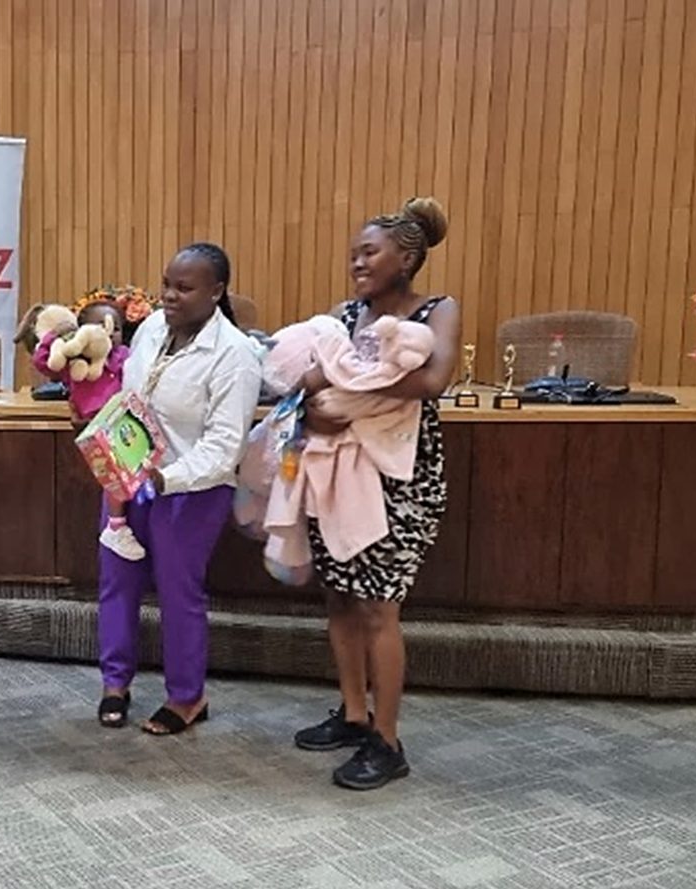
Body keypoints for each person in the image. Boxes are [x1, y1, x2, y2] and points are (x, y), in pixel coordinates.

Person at [292, 197, 458, 790]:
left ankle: (387, 742)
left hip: (401, 477)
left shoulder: (436, 310)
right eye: (354, 254)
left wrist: (344, 385)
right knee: (339, 595)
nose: (357, 263)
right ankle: (354, 713)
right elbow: (304, 385)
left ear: (407, 257)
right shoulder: (342, 316)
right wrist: (316, 414)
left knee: (378, 605)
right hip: (335, 469)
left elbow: (433, 380)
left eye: (370, 252)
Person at [96, 243, 262, 734]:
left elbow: (225, 447)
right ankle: (114, 684)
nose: (169, 295)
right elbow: (131, 395)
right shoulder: (150, 329)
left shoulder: (235, 355)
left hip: (192, 490)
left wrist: (165, 477)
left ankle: (188, 697)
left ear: (216, 291)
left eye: (184, 288)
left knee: (177, 592)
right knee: (116, 581)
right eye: (166, 283)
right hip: (127, 477)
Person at [28, 298, 144, 560]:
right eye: (99, 327)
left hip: (119, 423)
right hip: (88, 428)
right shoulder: (74, 360)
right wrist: (54, 337)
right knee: (108, 481)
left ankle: (119, 526)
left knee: (123, 477)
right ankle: (116, 527)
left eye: (114, 328)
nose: (107, 333)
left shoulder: (124, 356)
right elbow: (43, 362)